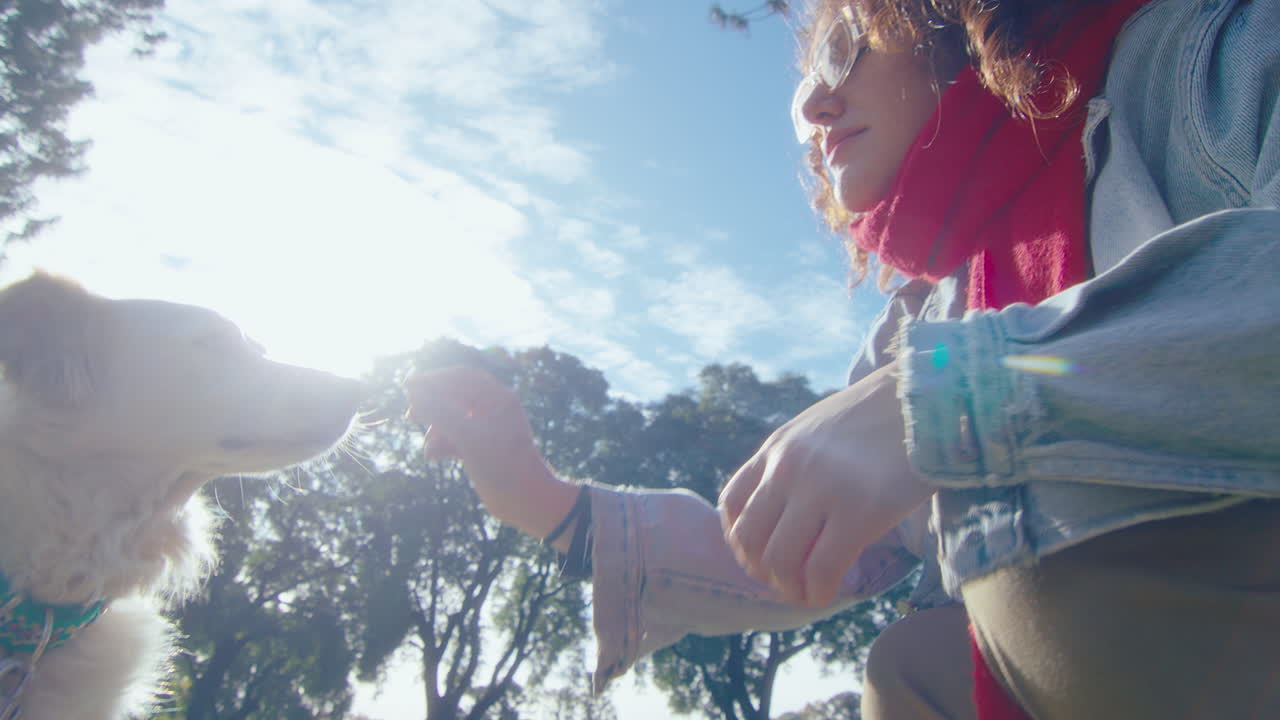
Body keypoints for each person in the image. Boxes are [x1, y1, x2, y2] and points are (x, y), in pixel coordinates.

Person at [405, 0, 1280, 717]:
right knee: (911, 663)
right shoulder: (922, 321)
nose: (817, 110)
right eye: (801, 94)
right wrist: (549, 503)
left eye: (842, 51)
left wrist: (956, 398)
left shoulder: (1210, 65)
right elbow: (792, 543)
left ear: (944, 18)